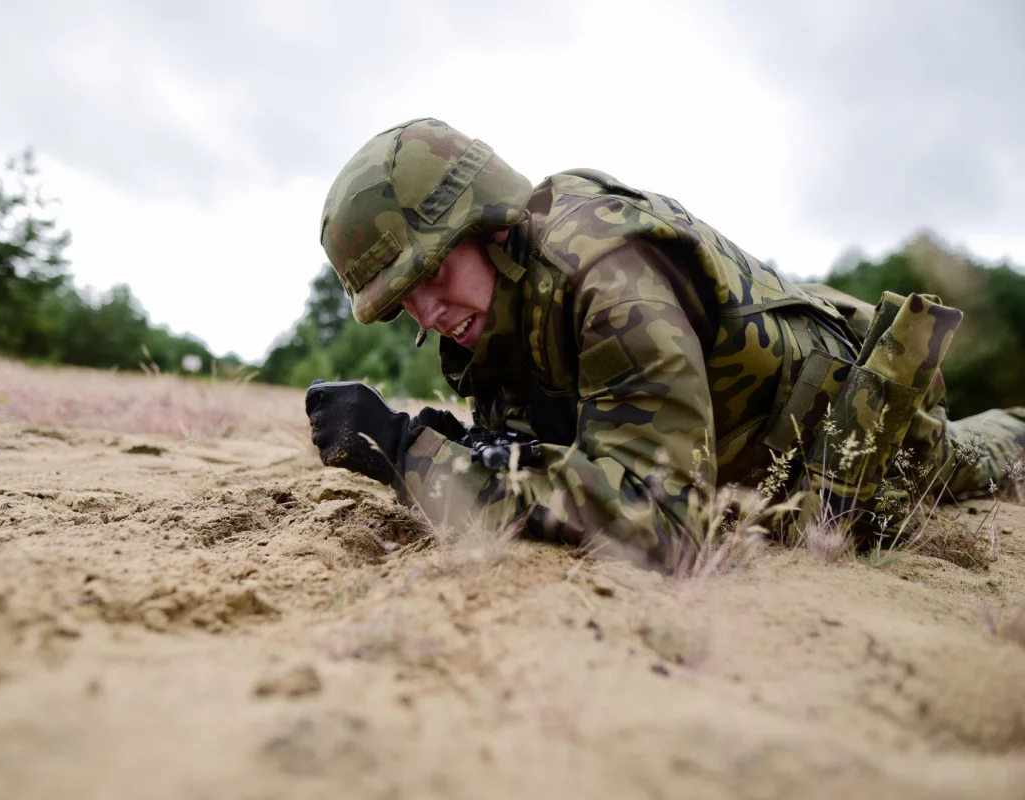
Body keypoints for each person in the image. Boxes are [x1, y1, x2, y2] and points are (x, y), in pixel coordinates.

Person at [305, 117, 1025, 568]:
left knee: (981, 455)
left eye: (429, 273)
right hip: (736, 457)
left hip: (851, 441)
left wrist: (412, 456)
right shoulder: (500, 310)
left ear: (486, 225)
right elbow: (561, 457)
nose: (426, 314)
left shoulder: (604, 273)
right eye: (403, 302)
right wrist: (458, 447)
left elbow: (665, 521)